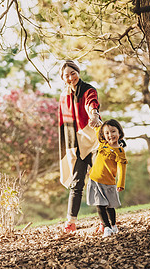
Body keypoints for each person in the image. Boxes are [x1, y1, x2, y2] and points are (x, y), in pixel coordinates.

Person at [58, 60, 102, 233]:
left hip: (92, 142)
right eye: (66, 75)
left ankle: (105, 222)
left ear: (78, 72)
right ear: (62, 78)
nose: (70, 78)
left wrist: (94, 115)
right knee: (76, 184)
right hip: (75, 145)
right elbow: (64, 124)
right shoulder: (63, 96)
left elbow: (91, 103)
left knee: (100, 181)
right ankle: (71, 222)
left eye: (73, 73)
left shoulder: (88, 89)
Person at [86, 119, 127, 237]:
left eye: (113, 131)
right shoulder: (103, 143)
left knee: (110, 206)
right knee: (100, 205)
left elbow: (122, 168)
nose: (110, 135)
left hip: (109, 183)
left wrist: (121, 183)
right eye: (107, 133)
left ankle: (113, 225)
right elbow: (98, 128)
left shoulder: (119, 151)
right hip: (95, 180)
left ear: (119, 133)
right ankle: (106, 227)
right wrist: (94, 121)